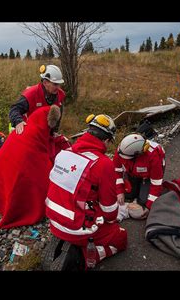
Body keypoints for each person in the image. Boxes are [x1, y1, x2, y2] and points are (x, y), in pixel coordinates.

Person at [45, 113, 127, 270]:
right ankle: (82, 258)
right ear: (106, 140)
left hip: (53, 222)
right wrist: (115, 217)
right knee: (121, 237)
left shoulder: (64, 153)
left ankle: (68, 245)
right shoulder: (102, 164)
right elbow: (109, 211)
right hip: (77, 229)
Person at [0, 105, 61, 229]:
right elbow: (42, 161)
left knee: (8, 187)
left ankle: (1, 208)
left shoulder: (26, 127)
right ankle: (23, 211)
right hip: (14, 167)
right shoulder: (36, 134)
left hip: (1, 165)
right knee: (40, 180)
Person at [113, 133, 166, 219]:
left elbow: (156, 182)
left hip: (148, 176)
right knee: (128, 195)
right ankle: (136, 187)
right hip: (131, 173)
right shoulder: (122, 149)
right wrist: (119, 191)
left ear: (138, 155)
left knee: (144, 201)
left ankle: (143, 188)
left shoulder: (153, 155)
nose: (123, 158)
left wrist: (149, 207)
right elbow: (117, 171)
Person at [8, 64, 66, 135]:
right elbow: (14, 109)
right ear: (45, 82)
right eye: (55, 84)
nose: (58, 87)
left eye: (59, 84)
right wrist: (18, 121)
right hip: (28, 132)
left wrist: (54, 132)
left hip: (44, 132)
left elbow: (57, 117)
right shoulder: (31, 94)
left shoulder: (60, 94)